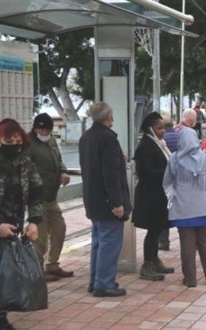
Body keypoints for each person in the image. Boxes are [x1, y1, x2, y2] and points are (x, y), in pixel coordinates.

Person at [0, 118, 43, 329]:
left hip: (12, 228)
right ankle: (0, 318)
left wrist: (34, 221)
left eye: (16, 138)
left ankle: (0, 316)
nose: (12, 142)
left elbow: (37, 193)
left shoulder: (25, 162)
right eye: (7, 138)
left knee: (3, 273)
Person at [79, 102, 131, 297]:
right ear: (108, 115)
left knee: (98, 242)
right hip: (107, 201)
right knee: (109, 243)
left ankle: (95, 280)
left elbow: (92, 166)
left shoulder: (86, 137)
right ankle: (104, 284)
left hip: (92, 198)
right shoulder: (108, 139)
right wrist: (117, 203)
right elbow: (110, 174)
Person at [163, 127, 206, 288]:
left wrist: (171, 195)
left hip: (184, 208)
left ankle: (190, 279)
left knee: (187, 244)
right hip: (205, 206)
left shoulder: (174, 159)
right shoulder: (204, 156)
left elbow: (167, 181)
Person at [27, 113, 74, 282]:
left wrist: (63, 172)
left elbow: (59, 160)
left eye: (47, 129)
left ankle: (52, 264)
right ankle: (38, 269)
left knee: (59, 229)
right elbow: (25, 170)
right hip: (37, 197)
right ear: (35, 128)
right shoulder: (28, 143)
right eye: (41, 129)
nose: (44, 132)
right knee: (39, 236)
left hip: (52, 197)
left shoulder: (52, 141)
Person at [132, 112, 175, 281]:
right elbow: (146, 172)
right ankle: (147, 264)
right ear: (150, 129)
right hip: (150, 195)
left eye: (163, 127)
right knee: (153, 230)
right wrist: (168, 172)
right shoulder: (145, 146)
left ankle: (154, 259)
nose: (163, 131)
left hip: (159, 194)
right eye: (159, 128)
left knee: (157, 229)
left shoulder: (159, 144)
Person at [158, 114, 179, 251]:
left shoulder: (161, 140)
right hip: (178, 178)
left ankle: (164, 241)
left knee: (164, 209)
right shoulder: (179, 137)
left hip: (164, 179)